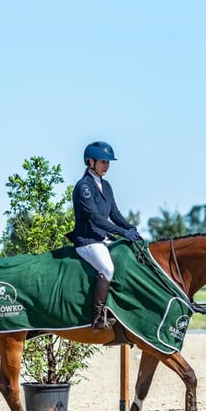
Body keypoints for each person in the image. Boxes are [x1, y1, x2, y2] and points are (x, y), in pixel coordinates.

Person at [67, 141, 140, 331]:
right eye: (102, 162)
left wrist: (131, 228)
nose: (106, 166)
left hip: (103, 239)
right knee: (107, 268)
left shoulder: (106, 185)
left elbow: (115, 214)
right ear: (90, 162)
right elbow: (96, 218)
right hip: (87, 241)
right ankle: (98, 317)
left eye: (108, 162)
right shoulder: (84, 187)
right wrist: (123, 233)